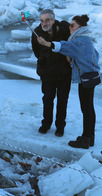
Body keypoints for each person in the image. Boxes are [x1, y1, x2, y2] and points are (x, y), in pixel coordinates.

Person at [37, 15, 100, 149]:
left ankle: (86, 139)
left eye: (73, 25)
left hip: (86, 78)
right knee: (89, 108)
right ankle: (90, 137)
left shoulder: (80, 40)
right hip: (90, 76)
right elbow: (95, 55)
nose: (70, 28)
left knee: (86, 109)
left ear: (80, 28)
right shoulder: (85, 39)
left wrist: (45, 43)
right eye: (70, 25)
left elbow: (63, 46)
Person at [31, 9, 72, 137]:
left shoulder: (64, 30)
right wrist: (45, 62)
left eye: (47, 20)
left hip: (63, 72)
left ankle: (60, 126)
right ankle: (46, 124)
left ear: (53, 20)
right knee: (47, 99)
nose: (44, 23)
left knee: (62, 100)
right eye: (42, 20)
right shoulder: (37, 32)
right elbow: (36, 51)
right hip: (47, 72)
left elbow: (69, 47)